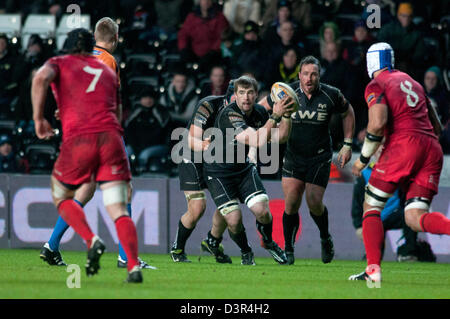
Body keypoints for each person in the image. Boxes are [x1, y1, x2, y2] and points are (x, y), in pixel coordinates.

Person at [40, 18, 151, 270]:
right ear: (114, 38)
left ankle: (51, 245)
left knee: (85, 190)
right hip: (102, 131)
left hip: (77, 133)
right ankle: (126, 257)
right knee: (125, 191)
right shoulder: (108, 60)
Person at [349, 42, 450, 283]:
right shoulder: (412, 81)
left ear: (371, 62)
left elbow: (377, 122)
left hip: (404, 146)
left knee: (371, 206)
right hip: (431, 147)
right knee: (414, 218)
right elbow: (436, 125)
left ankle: (373, 270)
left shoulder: (376, 84)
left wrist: (363, 159)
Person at [259, 55, 355, 265]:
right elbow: (261, 107)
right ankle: (289, 249)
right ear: (299, 75)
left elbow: (348, 112)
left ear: (319, 75)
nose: (309, 78)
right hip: (293, 155)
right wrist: (257, 123)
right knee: (291, 202)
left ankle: (325, 237)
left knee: (313, 202)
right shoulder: (286, 92)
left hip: (319, 156)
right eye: (305, 74)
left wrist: (347, 144)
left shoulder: (331, 95)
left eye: (314, 74)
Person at [203, 75, 294, 265]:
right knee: (234, 220)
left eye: (250, 93)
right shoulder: (230, 114)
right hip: (218, 172)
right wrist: (275, 115)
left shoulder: (259, 112)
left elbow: (282, 137)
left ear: (256, 95)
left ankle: (268, 242)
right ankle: (246, 251)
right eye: (242, 93)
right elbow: (257, 140)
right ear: (235, 96)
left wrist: (286, 115)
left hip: (242, 168)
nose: (246, 97)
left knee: (263, 212)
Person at [170, 81, 239, 263]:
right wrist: (206, 145)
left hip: (216, 158)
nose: (240, 102)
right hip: (192, 155)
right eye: (237, 97)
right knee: (197, 207)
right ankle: (177, 249)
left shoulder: (244, 111)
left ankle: (212, 241)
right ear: (228, 97)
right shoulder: (208, 105)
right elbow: (192, 139)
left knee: (228, 203)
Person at [352, 156, 420, 262]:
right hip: (374, 216)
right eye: (378, 149)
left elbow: (406, 194)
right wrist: (358, 226)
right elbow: (357, 203)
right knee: (375, 246)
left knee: (410, 216)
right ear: (373, 153)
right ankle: (372, 256)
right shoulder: (364, 175)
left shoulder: (397, 171)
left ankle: (408, 253)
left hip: (394, 213)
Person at [124, 88, 171, 172]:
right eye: (145, 98)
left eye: (150, 98)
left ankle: (142, 177)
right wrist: (134, 145)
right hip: (136, 145)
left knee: (144, 155)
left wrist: (142, 146)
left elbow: (161, 133)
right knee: (125, 152)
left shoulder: (161, 112)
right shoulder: (136, 112)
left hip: (156, 145)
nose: (148, 100)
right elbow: (129, 131)